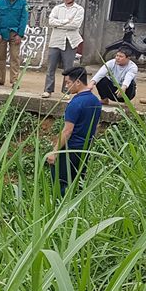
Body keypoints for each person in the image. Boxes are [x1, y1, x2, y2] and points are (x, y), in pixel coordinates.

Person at [47, 66, 101, 195]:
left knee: (60, 183)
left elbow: (67, 131)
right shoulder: (95, 101)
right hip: (84, 149)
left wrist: (54, 152)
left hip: (70, 149)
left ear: (77, 82)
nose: (66, 86)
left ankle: (60, 205)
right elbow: (95, 126)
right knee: (77, 182)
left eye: (68, 83)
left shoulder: (75, 103)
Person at [43, 0, 84, 98]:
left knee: (68, 68)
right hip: (56, 40)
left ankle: (66, 91)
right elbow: (51, 22)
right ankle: (48, 90)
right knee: (51, 67)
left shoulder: (79, 9)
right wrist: (66, 21)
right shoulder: (57, 8)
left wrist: (59, 24)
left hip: (70, 41)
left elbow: (75, 25)